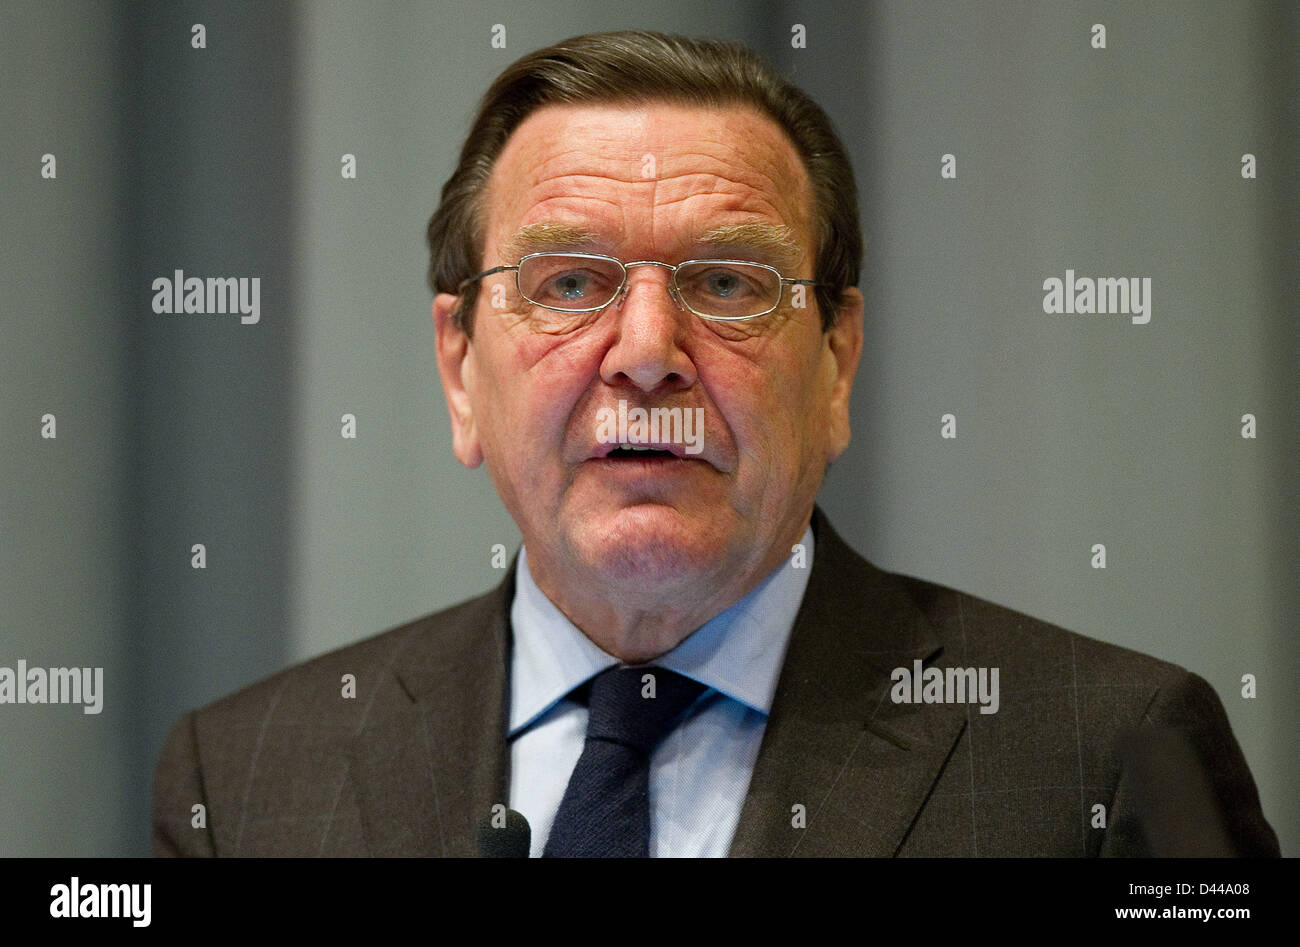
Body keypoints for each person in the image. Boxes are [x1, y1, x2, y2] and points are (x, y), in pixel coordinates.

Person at [152, 30, 1279, 857]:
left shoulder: (1109, 751)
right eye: (571, 282)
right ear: (460, 364)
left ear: (835, 358)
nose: (646, 351)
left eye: (728, 282)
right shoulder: (246, 778)